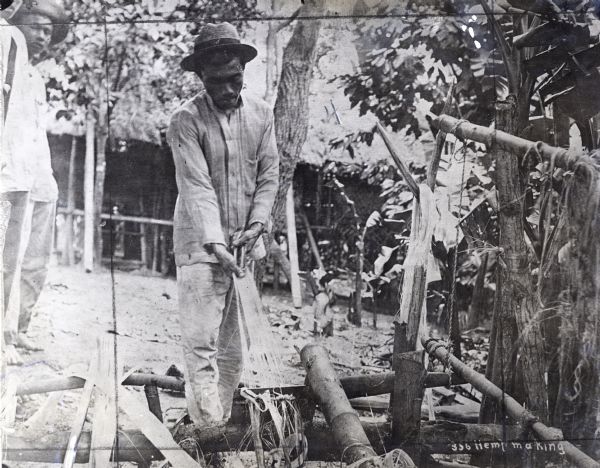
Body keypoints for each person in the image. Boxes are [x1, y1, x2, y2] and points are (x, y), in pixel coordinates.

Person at [167, 22, 279, 426]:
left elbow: (269, 175)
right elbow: (196, 187)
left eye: (235, 79)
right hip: (201, 249)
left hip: (246, 249)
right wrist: (216, 244)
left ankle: (219, 424)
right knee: (201, 344)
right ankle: (207, 431)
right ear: (201, 76)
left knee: (234, 349)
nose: (228, 90)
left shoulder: (262, 114)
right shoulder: (185, 120)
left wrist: (258, 224)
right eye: (217, 82)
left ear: (243, 71)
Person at [4, 1, 68, 353]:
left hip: (39, 176)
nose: (42, 36)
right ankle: (3, 334)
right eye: (36, 27)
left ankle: (20, 325)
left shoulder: (36, 78)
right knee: (8, 260)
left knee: (36, 260)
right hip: (12, 177)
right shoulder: (5, 70)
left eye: (48, 30)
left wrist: (48, 178)